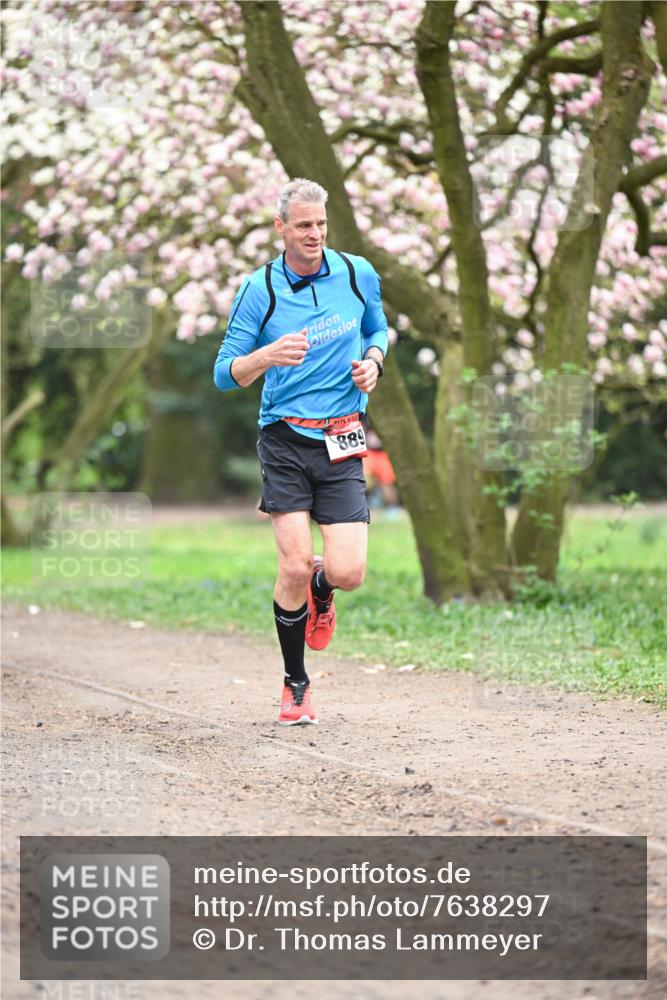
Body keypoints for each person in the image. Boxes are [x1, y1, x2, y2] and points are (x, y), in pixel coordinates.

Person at [213, 178, 388, 726]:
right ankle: (295, 685)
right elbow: (225, 374)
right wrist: (266, 355)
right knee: (291, 563)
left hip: (342, 434)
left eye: (321, 224)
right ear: (281, 228)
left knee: (350, 571)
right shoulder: (259, 288)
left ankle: (323, 588)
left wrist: (374, 361)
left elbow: (378, 327)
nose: (314, 234)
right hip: (286, 437)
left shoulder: (357, 273)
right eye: (303, 225)